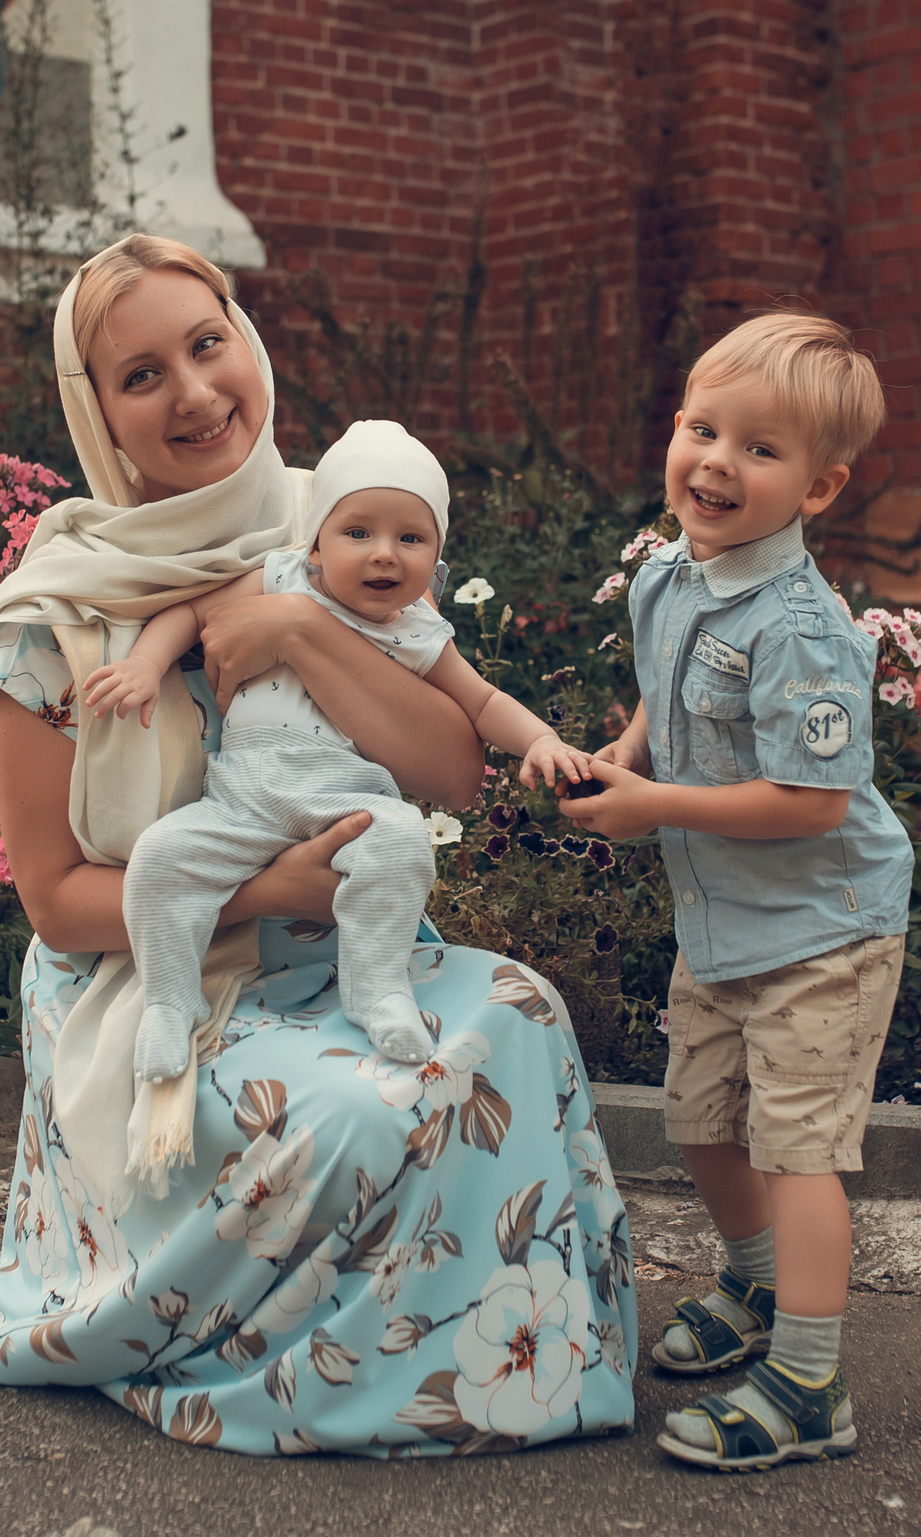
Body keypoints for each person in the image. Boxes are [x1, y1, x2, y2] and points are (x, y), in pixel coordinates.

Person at [0, 234, 636, 1459]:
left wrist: (302, 635)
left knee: (521, 1006)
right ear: (98, 411)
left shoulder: (336, 526)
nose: (195, 392)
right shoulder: (52, 622)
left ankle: (523, 1362)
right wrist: (271, 888)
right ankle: (345, 1381)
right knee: (358, 1113)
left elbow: (450, 765)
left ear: (244, 339)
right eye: (141, 375)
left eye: (207, 343)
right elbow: (51, 901)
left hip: (346, 940)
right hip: (157, 974)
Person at [562, 311, 908, 1472]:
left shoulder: (804, 629)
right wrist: (626, 756)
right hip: (721, 921)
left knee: (796, 1148)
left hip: (824, 928)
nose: (715, 461)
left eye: (759, 449)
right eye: (703, 429)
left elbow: (810, 804)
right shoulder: (668, 579)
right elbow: (671, 697)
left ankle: (810, 1382)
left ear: (819, 487)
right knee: (703, 1123)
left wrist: (653, 808)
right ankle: (759, 1286)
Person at [78, 419, 594, 1079]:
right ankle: (169, 1004)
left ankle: (377, 990)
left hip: (346, 799)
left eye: (410, 538)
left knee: (402, 840)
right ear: (316, 545)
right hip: (240, 798)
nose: (384, 554)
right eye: (359, 533)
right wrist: (148, 664)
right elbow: (190, 615)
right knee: (160, 860)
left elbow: (483, 701)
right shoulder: (280, 577)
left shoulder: (417, 630)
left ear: (436, 560)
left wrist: (543, 740)